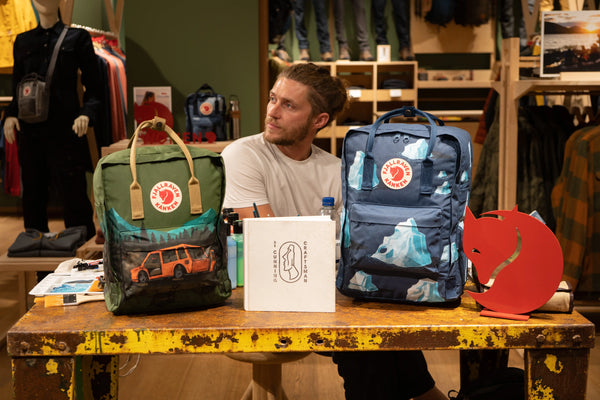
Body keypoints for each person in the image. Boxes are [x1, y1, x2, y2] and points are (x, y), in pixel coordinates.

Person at [221, 62, 447, 400]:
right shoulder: (243, 155)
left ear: (319, 120)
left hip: (329, 295)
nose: (272, 112)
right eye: (272, 99)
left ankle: (428, 393)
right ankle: (430, 394)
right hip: (263, 297)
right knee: (368, 340)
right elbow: (263, 246)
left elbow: (356, 248)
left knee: (379, 322)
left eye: (288, 105)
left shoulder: (336, 168)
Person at [3, 0, 101, 240]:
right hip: (30, 134)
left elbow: (96, 87)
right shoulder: (23, 41)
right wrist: (10, 116)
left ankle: (84, 264)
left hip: (66, 133)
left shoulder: (77, 39)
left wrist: (86, 114)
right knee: (33, 200)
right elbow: (18, 85)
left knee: (75, 201)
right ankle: (39, 270)